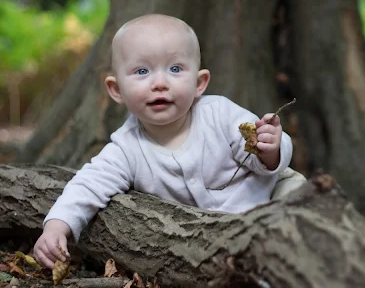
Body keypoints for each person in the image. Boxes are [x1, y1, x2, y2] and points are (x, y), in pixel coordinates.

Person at [33, 14, 305, 269]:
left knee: (299, 198)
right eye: (142, 71)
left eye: (175, 69)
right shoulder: (126, 149)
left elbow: (261, 160)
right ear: (117, 90)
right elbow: (88, 184)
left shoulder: (220, 114)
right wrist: (57, 225)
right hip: (217, 236)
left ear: (200, 83)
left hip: (268, 195)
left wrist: (268, 149)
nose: (160, 83)